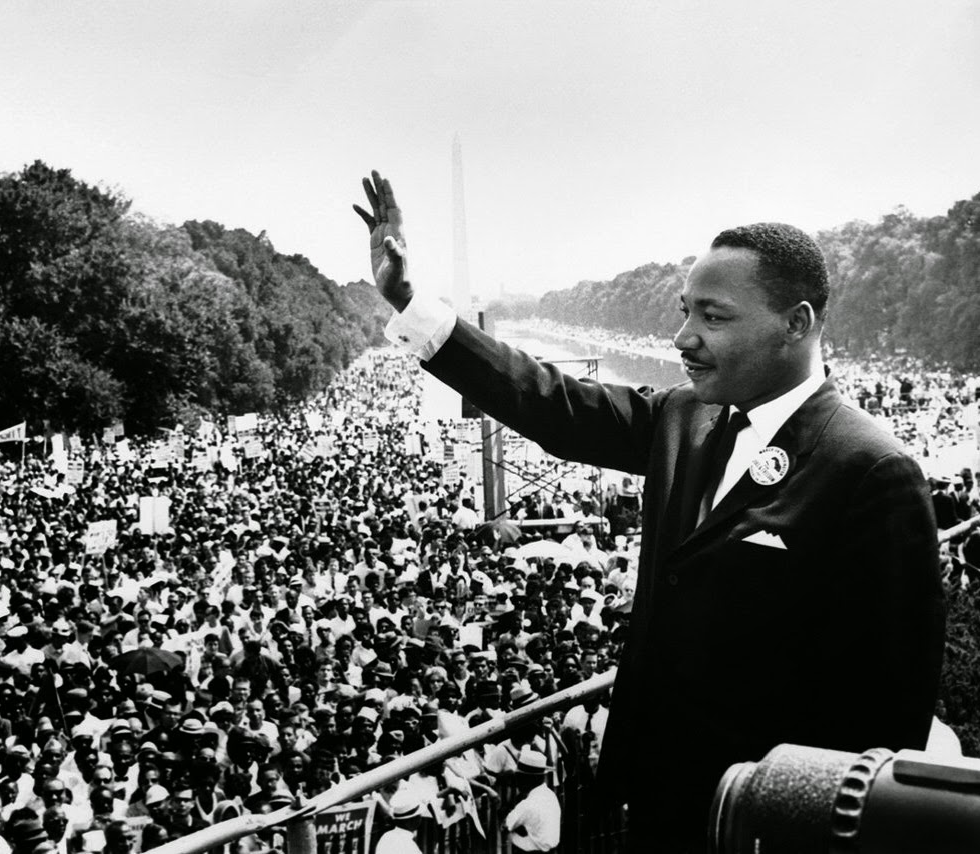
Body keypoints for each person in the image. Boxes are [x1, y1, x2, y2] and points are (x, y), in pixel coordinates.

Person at [354, 170, 946, 852]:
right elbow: (548, 402)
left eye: (713, 316)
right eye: (684, 310)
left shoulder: (871, 469)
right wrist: (408, 300)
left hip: (764, 822)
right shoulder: (682, 415)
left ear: (798, 323)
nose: (682, 337)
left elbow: (887, 715)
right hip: (654, 799)